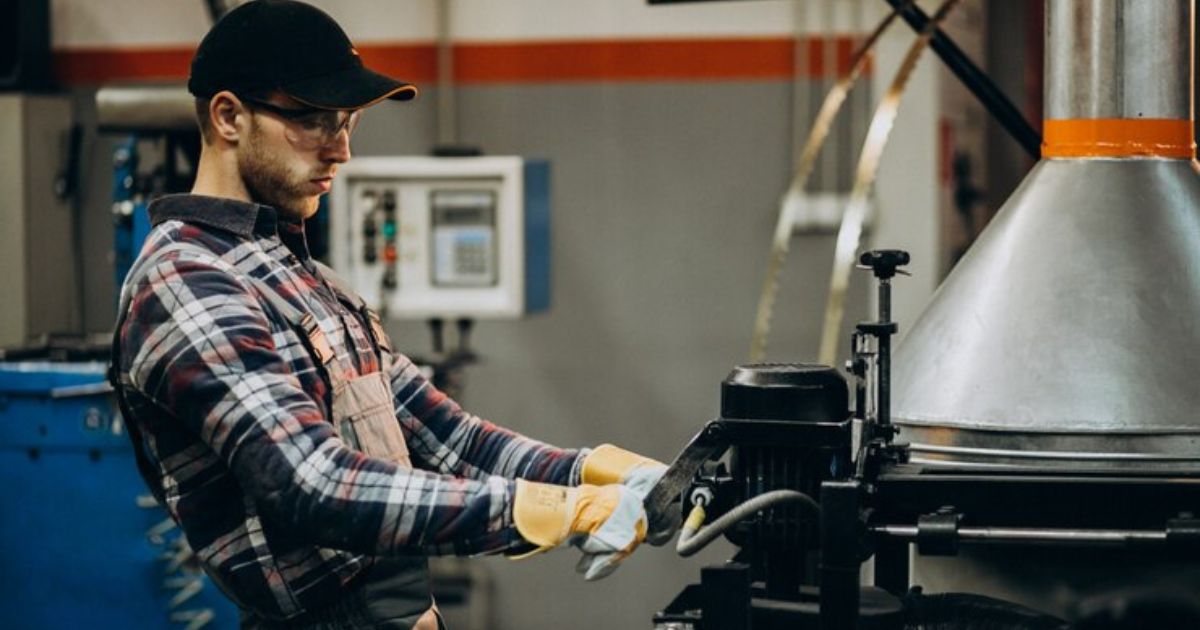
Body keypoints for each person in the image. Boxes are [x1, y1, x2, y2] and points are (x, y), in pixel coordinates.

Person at [108, 2, 675, 628]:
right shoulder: (186, 280)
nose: (342, 150)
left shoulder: (307, 279)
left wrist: (598, 473)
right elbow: (313, 483)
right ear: (229, 117)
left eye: (347, 122)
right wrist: (552, 511)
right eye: (315, 120)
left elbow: (450, 439)